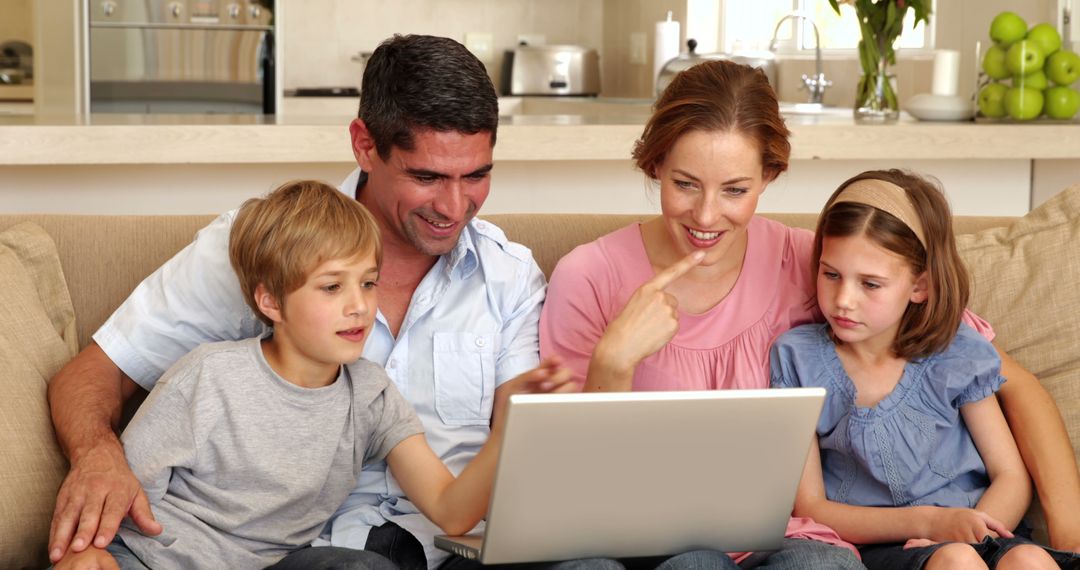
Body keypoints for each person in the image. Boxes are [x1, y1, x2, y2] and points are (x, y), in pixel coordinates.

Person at [45, 34, 576, 570]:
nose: (455, 206)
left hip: (459, 542)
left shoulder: (506, 277)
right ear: (365, 145)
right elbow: (95, 378)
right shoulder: (264, 248)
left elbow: (503, 461)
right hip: (323, 551)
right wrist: (97, 458)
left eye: (477, 175)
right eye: (427, 176)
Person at [538, 59, 1080, 567]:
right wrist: (613, 362)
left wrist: (1065, 535)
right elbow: (557, 476)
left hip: (789, 541)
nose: (705, 215)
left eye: (735, 189)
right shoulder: (589, 275)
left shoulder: (817, 265)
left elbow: (1009, 380)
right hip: (639, 536)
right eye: (684, 184)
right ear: (654, 163)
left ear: (770, 177)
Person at [770, 169, 1080, 570]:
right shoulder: (798, 358)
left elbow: (1010, 476)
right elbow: (811, 506)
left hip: (980, 528)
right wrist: (931, 523)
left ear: (920, 286)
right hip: (883, 546)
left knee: (1029, 559)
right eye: (831, 274)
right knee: (955, 561)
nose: (843, 300)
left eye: (870, 284)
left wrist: (977, 531)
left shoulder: (957, 349)